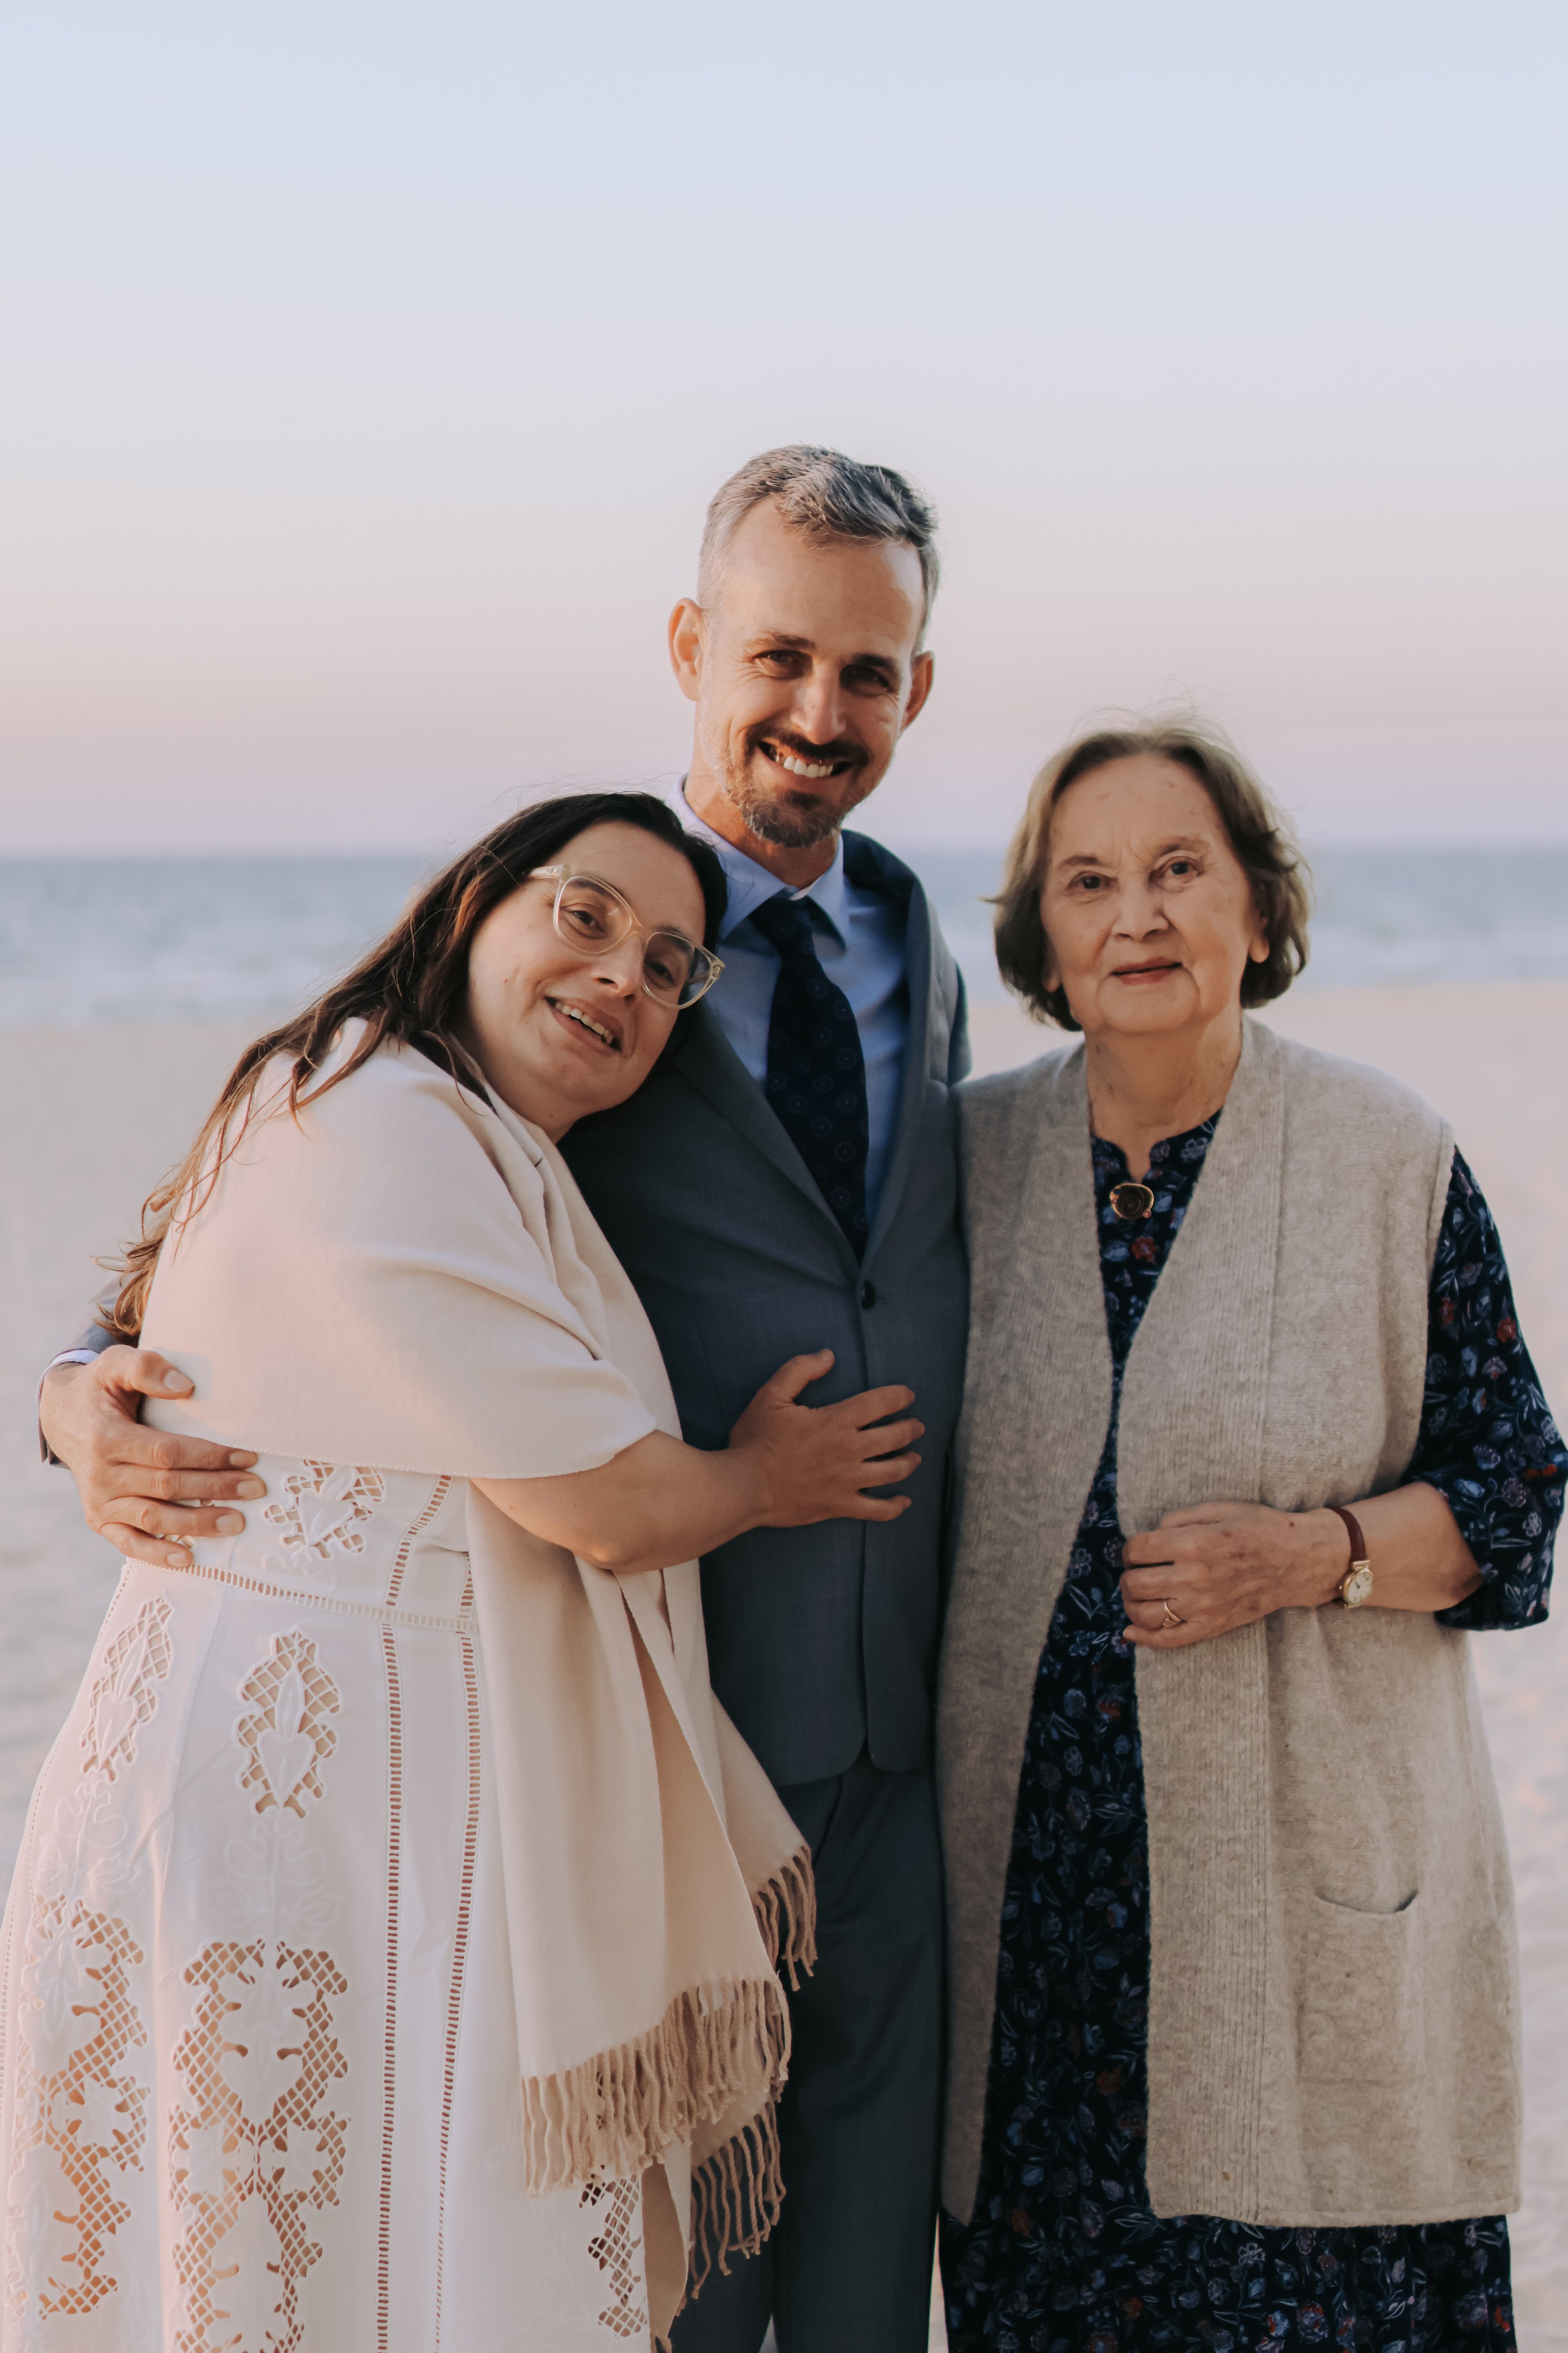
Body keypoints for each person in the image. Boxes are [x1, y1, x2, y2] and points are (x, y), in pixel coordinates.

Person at [37, 447, 971, 2353]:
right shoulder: (534, 973)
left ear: (915, 692)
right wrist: (71, 1395)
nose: (819, 712)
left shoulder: (917, 941)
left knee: (869, 2286)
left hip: (900, 1739)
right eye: (779, 655)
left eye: (868, 673)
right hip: (638, 1726)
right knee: (644, 2284)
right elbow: (231, 1268)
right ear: (696, 644)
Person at [938, 723, 1565, 2352]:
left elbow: (1517, 1489)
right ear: (1040, 934)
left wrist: (1319, 1555)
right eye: (1089, 880)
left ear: (1259, 913)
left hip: (1311, 1937)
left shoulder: (1387, 1154)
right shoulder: (958, 1161)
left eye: (1176, 869)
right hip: (1042, 1972)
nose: (1135, 914)